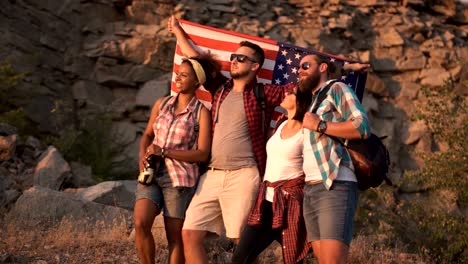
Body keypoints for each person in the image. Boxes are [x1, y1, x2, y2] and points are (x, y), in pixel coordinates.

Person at [168, 16, 296, 264]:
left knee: (242, 243)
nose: (234, 61)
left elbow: (300, 89)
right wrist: (177, 31)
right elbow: (195, 60)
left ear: (255, 66)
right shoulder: (220, 88)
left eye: (241, 58)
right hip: (212, 174)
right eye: (234, 57)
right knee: (190, 234)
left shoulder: (263, 93)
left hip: (244, 174)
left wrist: (340, 72)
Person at [134, 53, 221, 264]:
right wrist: (142, 161)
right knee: (140, 222)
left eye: (184, 75)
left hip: (179, 180)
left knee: (175, 239)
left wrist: (164, 152)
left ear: (197, 81)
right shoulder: (161, 103)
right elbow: (147, 135)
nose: (178, 78)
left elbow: (202, 154)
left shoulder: (202, 113)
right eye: (178, 74)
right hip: (151, 173)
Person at [298, 53, 370, 264]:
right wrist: (346, 67)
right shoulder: (313, 101)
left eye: (305, 65)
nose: (299, 70)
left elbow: (362, 126)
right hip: (311, 187)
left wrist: (320, 125)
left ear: (322, 68)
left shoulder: (337, 89)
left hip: (335, 182)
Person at [231, 86, 312, 264]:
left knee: (295, 258)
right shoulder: (281, 122)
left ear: (300, 101)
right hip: (267, 202)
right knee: (241, 257)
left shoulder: (307, 132)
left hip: (290, 204)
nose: (285, 93)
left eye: (291, 93)